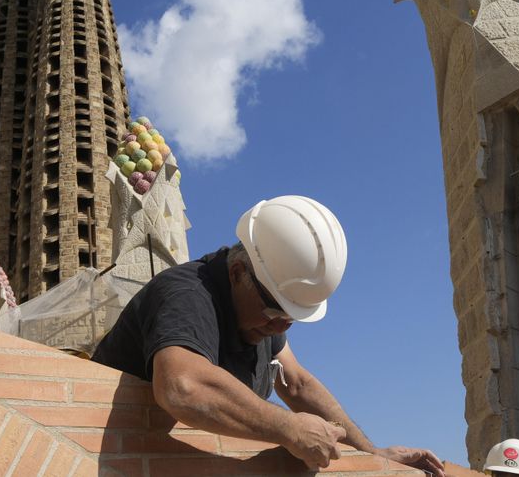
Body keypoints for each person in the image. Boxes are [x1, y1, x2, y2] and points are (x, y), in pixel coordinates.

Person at [92, 195, 446, 475]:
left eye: (293, 318)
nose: (281, 327)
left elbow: (297, 385)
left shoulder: (262, 317)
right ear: (237, 272)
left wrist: (371, 453)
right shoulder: (187, 294)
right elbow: (182, 387)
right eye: (276, 310)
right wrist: (288, 428)